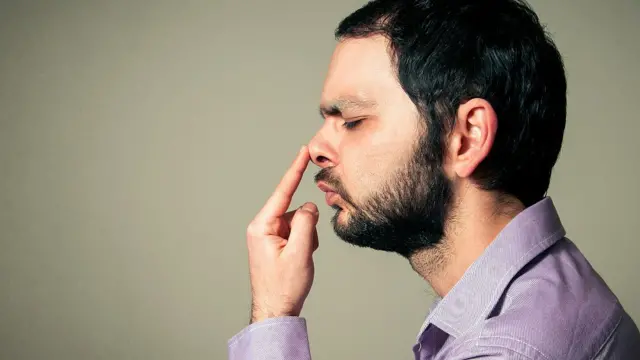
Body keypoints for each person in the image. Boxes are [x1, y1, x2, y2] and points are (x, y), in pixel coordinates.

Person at [228, 0, 640, 359]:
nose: (316, 147)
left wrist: (272, 316)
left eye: (352, 121)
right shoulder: (557, 285)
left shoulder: (506, 349)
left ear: (466, 138)